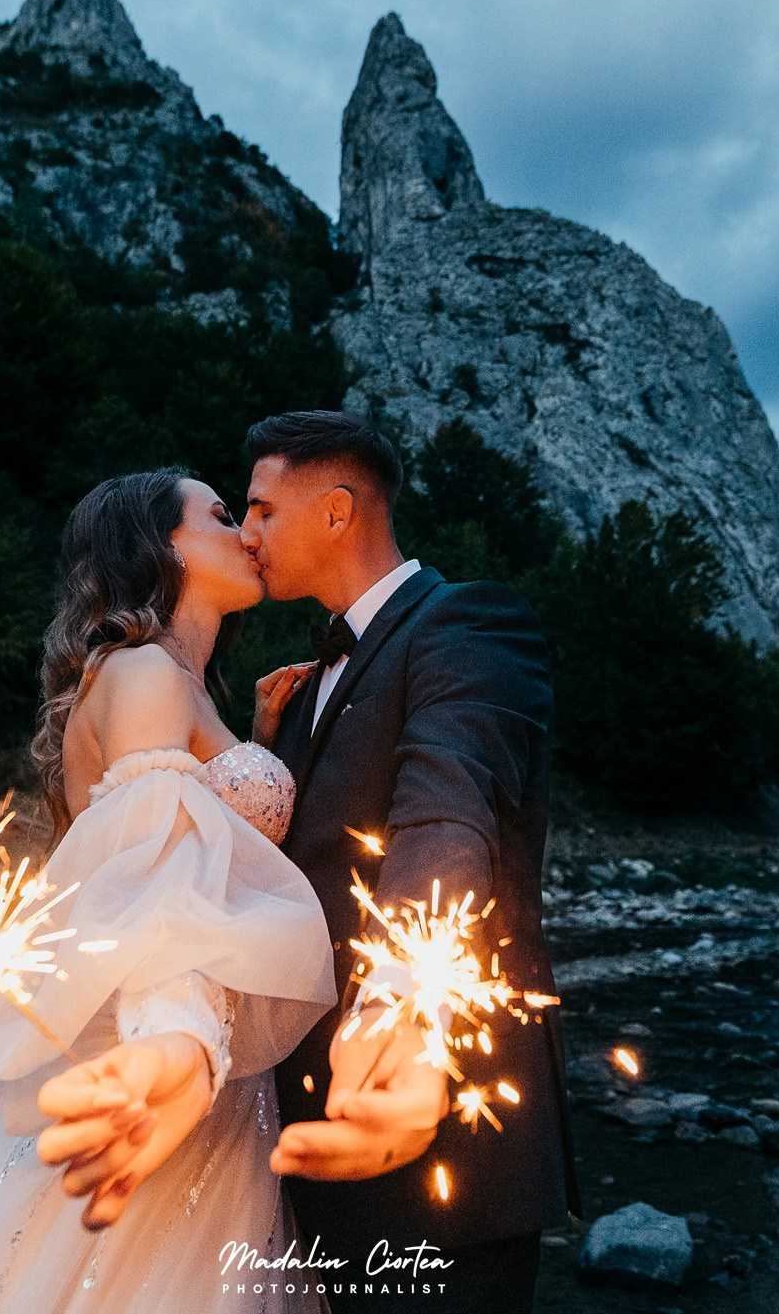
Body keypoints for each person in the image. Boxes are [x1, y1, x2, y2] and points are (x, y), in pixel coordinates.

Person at [0, 467, 339, 1314]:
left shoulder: (169, 683)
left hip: (218, 1078)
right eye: (225, 515)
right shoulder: (143, 672)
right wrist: (181, 1043)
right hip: (170, 1057)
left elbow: (201, 846)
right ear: (160, 545)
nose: (249, 533)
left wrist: (262, 741)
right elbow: (157, 884)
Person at [242, 411, 581, 1313]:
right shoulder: (304, 687)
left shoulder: (469, 621)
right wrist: (267, 752)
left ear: (339, 510)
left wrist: (400, 995)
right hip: (320, 1135)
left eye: (263, 510)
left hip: (446, 1145)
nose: (247, 534)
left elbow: (448, 809)